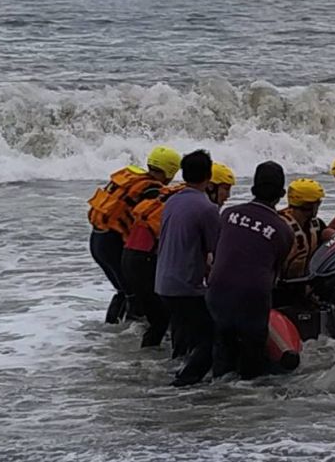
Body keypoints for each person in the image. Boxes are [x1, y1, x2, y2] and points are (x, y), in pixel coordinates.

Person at [121, 161, 234, 349]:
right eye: (226, 189)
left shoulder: (175, 198)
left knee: (165, 322)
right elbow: (213, 252)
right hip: (148, 261)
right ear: (210, 184)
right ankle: (174, 369)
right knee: (176, 324)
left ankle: (158, 362)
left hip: (134, 257)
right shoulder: (204, 208)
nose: (228, 197)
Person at [204, 162, 295, 381]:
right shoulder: (284, 231)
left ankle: (219, 386)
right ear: (282, 194)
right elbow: (275, 272)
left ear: (253, 188)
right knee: (252, 359)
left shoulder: (228, 214)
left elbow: (218, 252)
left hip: (217, 291)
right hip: (253, 297)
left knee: (223, 347)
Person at [87, 145, 181, 324]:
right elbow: (148, 222)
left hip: (97, 240)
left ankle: (112, 330)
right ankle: (131, 335)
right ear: (170, 171)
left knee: (124, 290)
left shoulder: (132, 179)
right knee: (134, 293)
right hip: (113, 245)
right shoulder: (150, 191)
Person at [153, 149, 221, 381]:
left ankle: (176, 379)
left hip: (162, 283)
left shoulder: (171, 201)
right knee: (211, 340)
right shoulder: (207, 208)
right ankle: (183, 386)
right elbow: (217, 251)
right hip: (186, 287)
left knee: (183, 339)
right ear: (209, 176)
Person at [278, 178, 328, 283]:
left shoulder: (317, 225)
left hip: (306, 284)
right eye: (317, 202)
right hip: (281, 287)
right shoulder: (280, 226)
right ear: (309, 205)